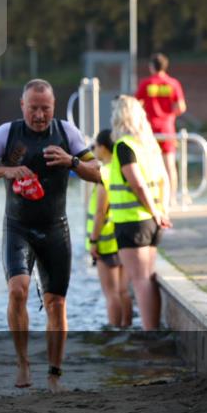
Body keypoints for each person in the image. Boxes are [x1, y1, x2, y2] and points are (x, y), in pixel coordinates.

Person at [0, 79, 100, 392]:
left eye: (46, 109)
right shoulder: (6, 134)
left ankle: (54, 374)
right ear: (22, 106)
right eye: (34, 108)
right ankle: (23, 361)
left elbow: (99, 173)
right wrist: (6, 170)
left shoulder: (67, 132)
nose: (40, 115)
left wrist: (72, 162)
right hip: (18, 227)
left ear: (53, 107)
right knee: (18, 291)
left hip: (55, 228)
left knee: (56, 304)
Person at [108, 95, 172, 330]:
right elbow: (165, 178)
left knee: (140, 280)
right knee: (148, 276)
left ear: (119, 118)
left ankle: (148, 334)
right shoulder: (150, 145)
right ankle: (152, 330)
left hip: (133, 222)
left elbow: (137, 184)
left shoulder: (124, 146)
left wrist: (154, 212)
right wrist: (161, 211)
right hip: (152, 223)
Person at [88, 129, 131, 329]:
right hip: (122, 235)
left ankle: (114, 333)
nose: (93, 149)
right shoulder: (122, 168)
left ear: (103, 148)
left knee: (111, 293)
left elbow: (100, 212)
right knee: (123, 291)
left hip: (105, 241)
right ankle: (127, 329)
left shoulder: (104, 173)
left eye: (95, 146)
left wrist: (93, 240)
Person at [135, 53, 186, 206]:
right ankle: (172, 199)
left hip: (149, 130)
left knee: (148, 164)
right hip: (167, 129)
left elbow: (136, 105)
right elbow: (181, 107)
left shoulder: (146, 83)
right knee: (170, 165)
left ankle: (152, 198)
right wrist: (169, 116)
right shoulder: (173, 83)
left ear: (151, 66)